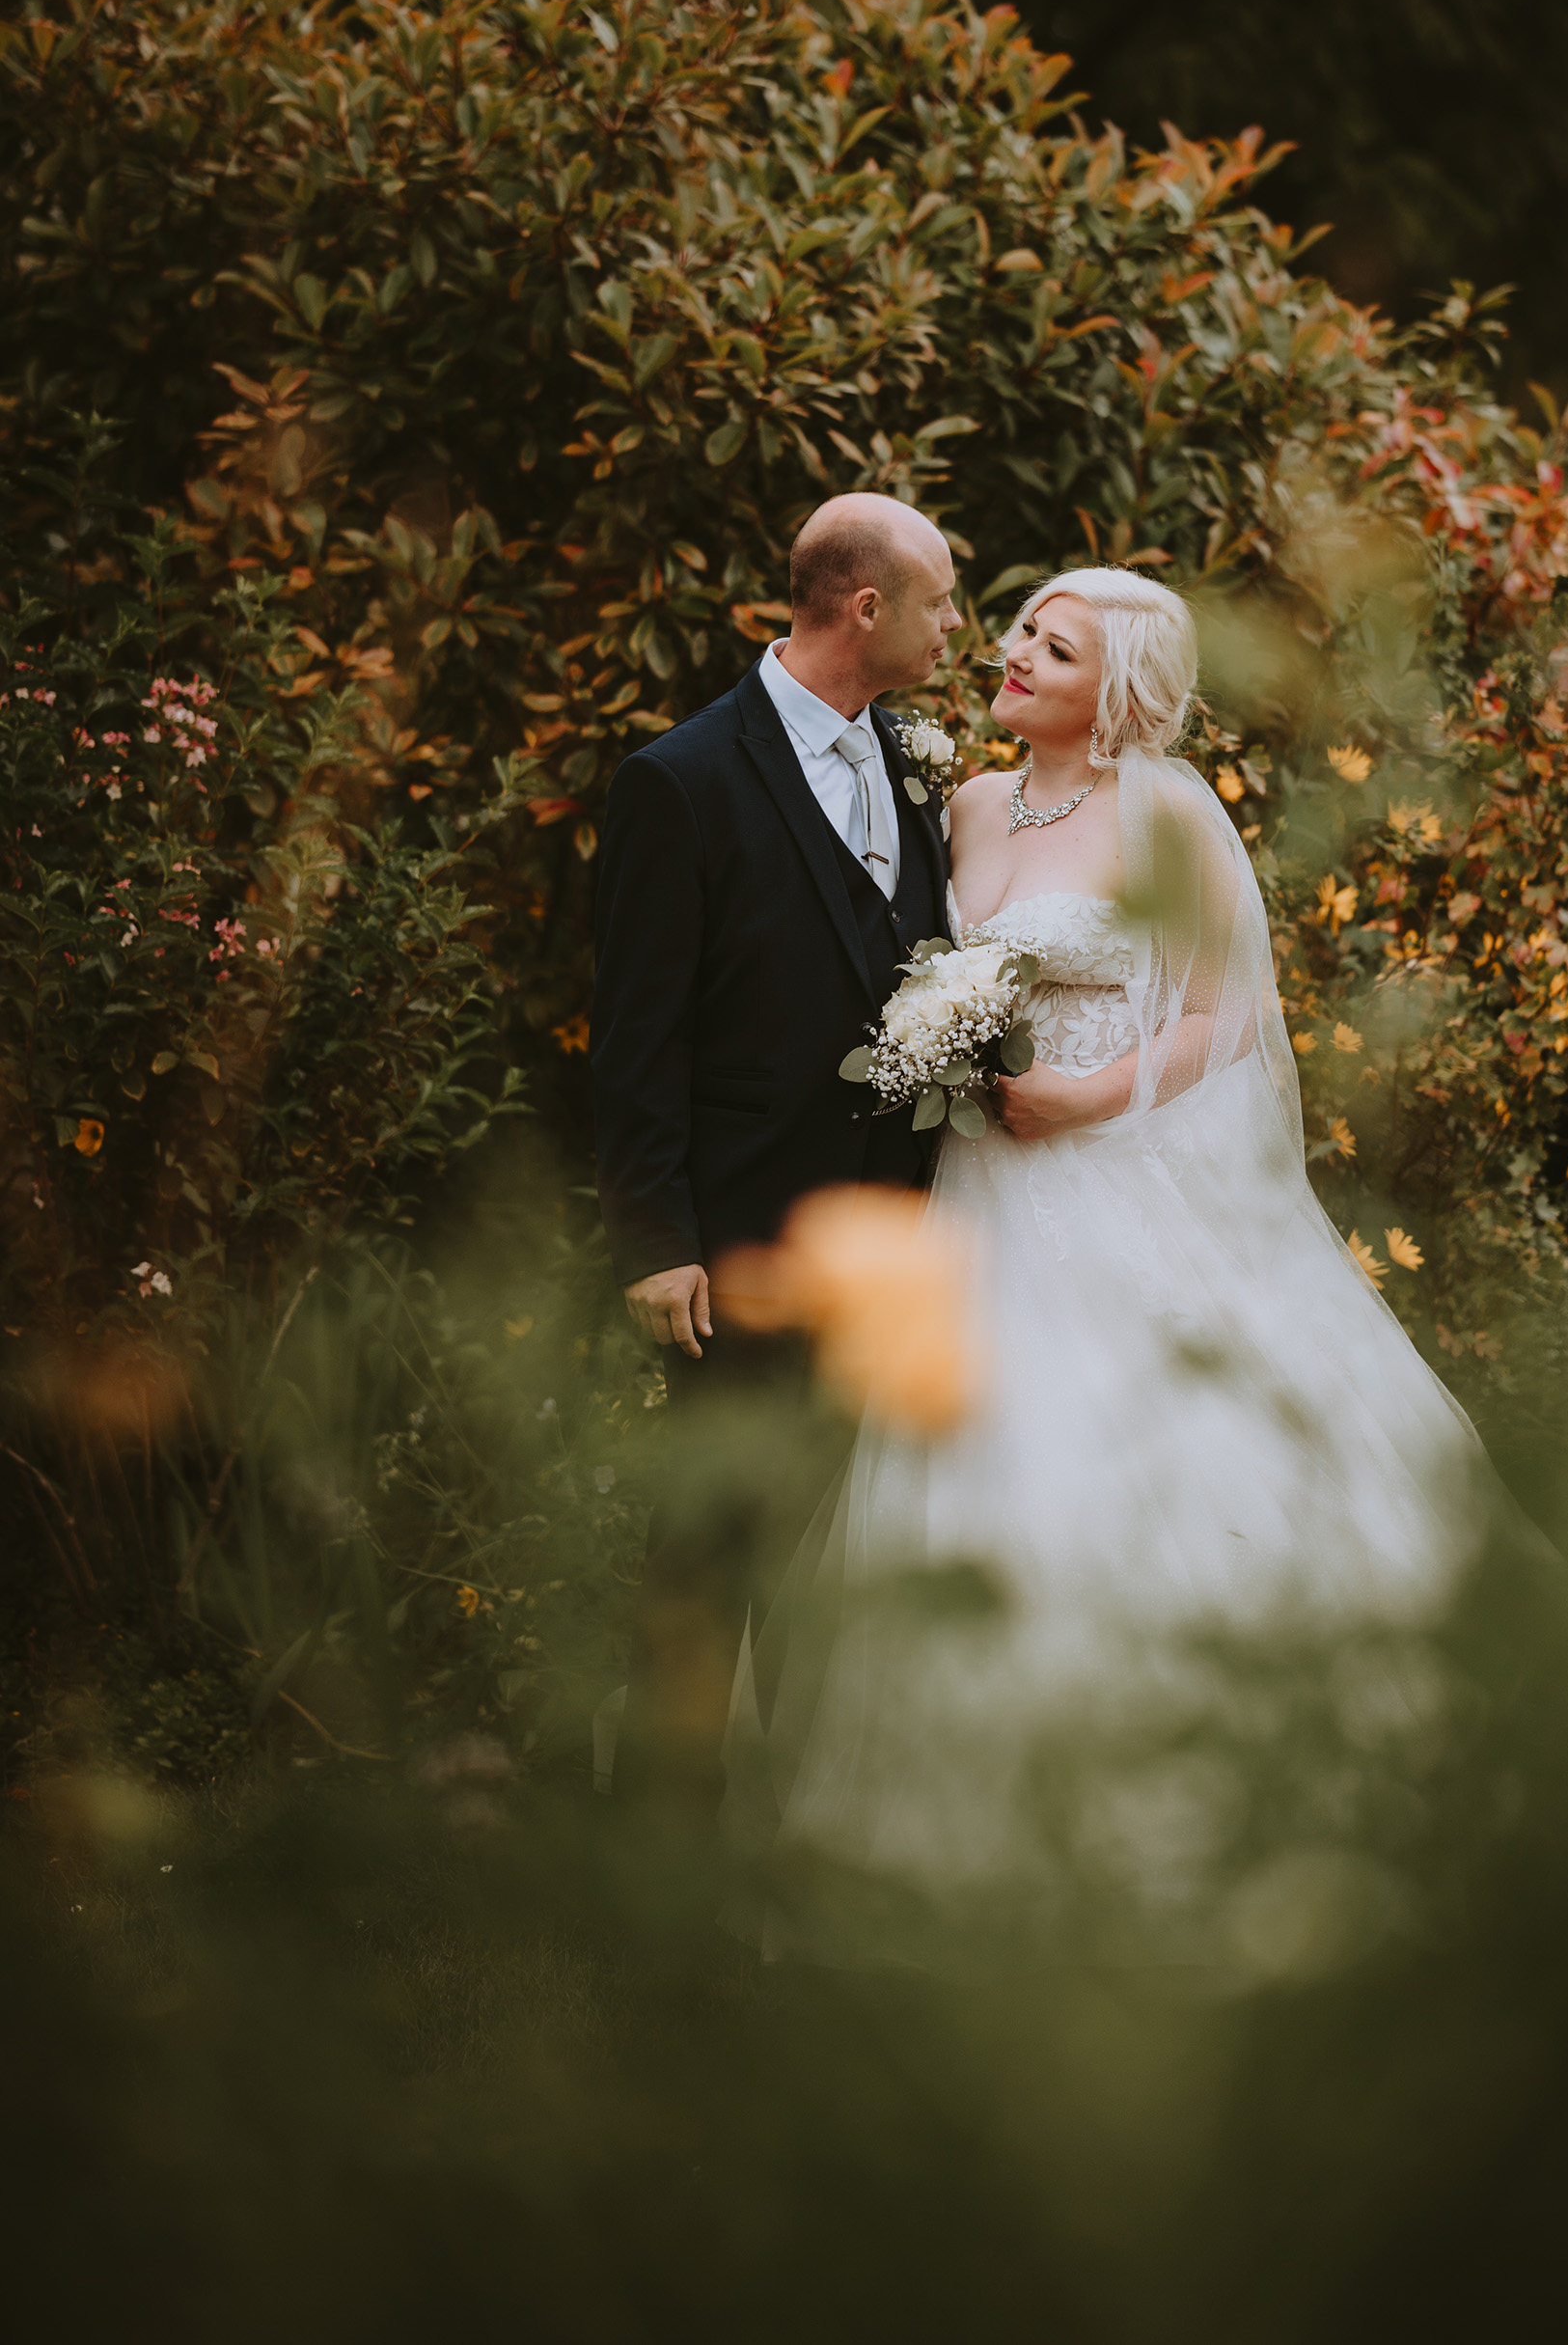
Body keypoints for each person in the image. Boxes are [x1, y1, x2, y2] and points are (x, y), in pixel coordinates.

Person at [721, 566, 1500, 1945]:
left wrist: (1094, 1093)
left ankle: (1193, 1812)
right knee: (962, 1467)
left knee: (1130, 1459)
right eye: (1018, 628)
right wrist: (936, 1059)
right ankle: (950, 1835)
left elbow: (1228, 1012)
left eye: (1051, 643)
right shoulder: (961, 805)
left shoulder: (1171, 815)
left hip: (1112, 1180)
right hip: (977, 1191)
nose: (1012, 652)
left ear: (1117, 688)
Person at [590, 493, 961, 1795]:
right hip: (742, 1244)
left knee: (840, 1553)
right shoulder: (679, 781)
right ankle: (651, 1847)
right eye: (943, 601)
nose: (958, 626)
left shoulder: (915, 761)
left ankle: (798, 1820)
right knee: (708, 1555)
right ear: (869, 607)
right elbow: (635, 1037)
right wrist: (656, 1240)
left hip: (901, 1241)